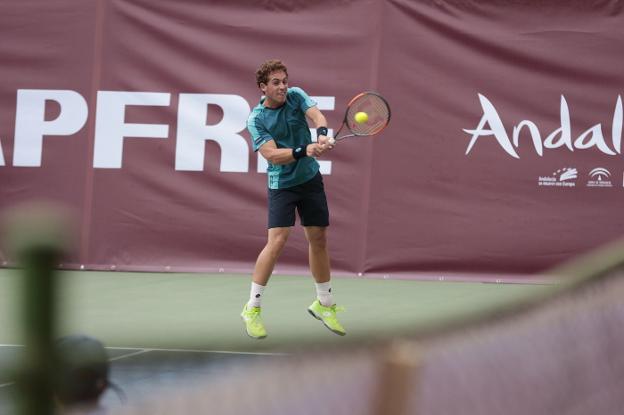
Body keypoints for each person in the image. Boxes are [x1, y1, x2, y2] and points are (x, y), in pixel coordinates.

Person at [242, 59, 345, 339]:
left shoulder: (296, 95)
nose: (283, 87)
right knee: (277, 241)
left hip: (310, 179)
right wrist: (305, 149)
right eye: (276, 82)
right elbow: (273, 155)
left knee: (319, 238)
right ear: (263, 87)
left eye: (284, 81)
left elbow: (318, 118)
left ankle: (324, 304)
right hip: (282, 185)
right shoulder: (256, 119)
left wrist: (323, 136)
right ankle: (252, 308)